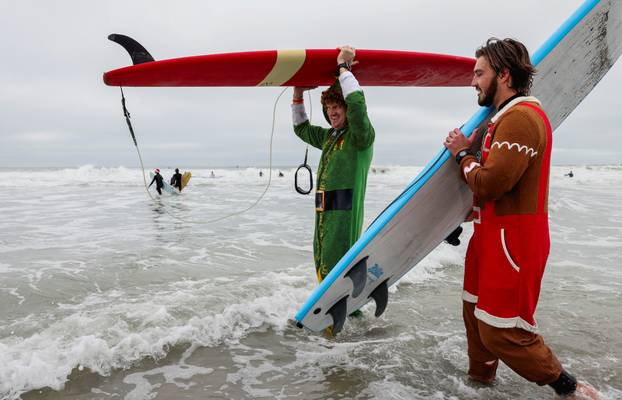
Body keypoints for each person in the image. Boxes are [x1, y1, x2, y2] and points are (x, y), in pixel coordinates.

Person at [443, 38, 599, 399]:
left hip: (513, 241)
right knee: (474, 314)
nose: (473, 82)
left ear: (504, 74)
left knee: (502, 330)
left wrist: (462, 154)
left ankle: (569, 387)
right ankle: (480, 385)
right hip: (489, 235)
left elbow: (493, 184)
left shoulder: (522, 120)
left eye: (479, 73)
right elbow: (493, 190)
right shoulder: (502, 120)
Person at [292, 45, 375, 283]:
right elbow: (301, 129)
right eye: (328, 109)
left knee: (339, 271)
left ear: (347, 109)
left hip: (343, 218)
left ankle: (343, 314)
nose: (332, 113)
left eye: (336, 107)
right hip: (323, 217)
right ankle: (331, 313)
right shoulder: (330, 137)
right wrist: (298, 93)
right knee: (322, 266)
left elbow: (358, 106)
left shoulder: (360, 137)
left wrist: (343, 69)